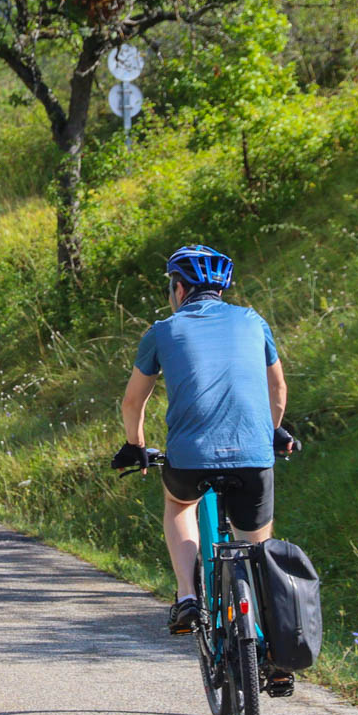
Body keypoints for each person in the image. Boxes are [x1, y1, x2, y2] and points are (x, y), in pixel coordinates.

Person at [115, 245, 294, 636]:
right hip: (253, 455)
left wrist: (136, 445)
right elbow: (277, 389)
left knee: (180, 504)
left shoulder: (162, 331)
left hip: (191, 455)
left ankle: (186, 598)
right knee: (258, 547)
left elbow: (132, 402)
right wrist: (273, 431)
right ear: (222, 290)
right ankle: (273, 647)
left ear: (179, 290)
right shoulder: (253, 321)